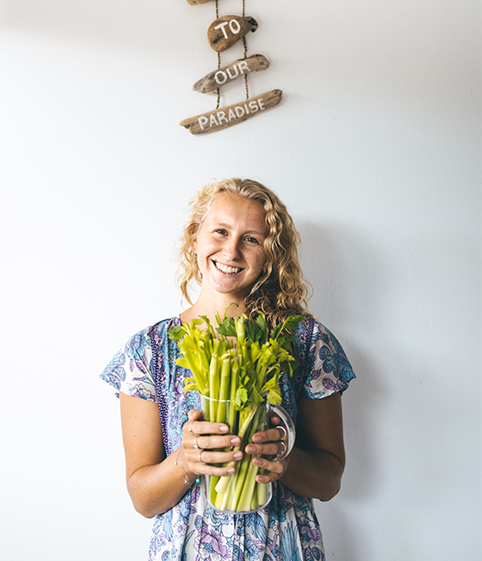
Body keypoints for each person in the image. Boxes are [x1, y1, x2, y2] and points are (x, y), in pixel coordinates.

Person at [100, 178, 355, 561]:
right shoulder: (148, 350)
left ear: (270, 255)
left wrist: (285, 459)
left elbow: (330, 479)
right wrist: (183, 462)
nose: (231, 250)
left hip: (283, 549)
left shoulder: (304, 340)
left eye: (251, 239)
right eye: (220, 231)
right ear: (194, 238)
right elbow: (142, 498)